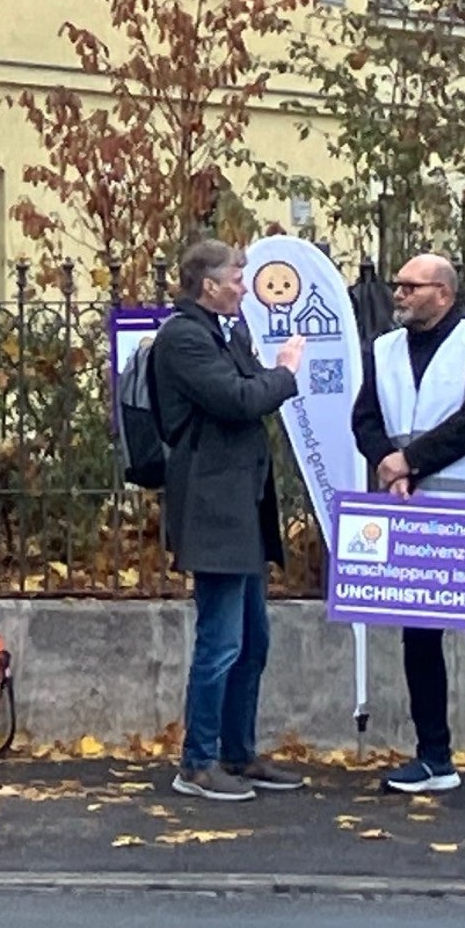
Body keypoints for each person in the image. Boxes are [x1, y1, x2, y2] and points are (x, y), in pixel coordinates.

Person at [353, 253, 465, 806]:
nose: (399, 294)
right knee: (419, 634)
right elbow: (366, 417)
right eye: (398, 285)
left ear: (444, 295)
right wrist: (386, 458)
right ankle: (434, 757)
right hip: (414, 509)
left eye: (412, 286)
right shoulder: (383, 349)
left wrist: (409, 463)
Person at [152, 238, 307, 802]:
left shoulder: (227, 331)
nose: (245, 287)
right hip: (213, 507)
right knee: (220, 641)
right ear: (207, 285)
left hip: (243, 502)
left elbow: (247, 388)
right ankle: (197, 762)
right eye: (237, 278)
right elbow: (239, 398)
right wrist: (286, 373)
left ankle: (238, 754)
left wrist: (268, 378)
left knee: (253, 640)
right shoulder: (184, 338)